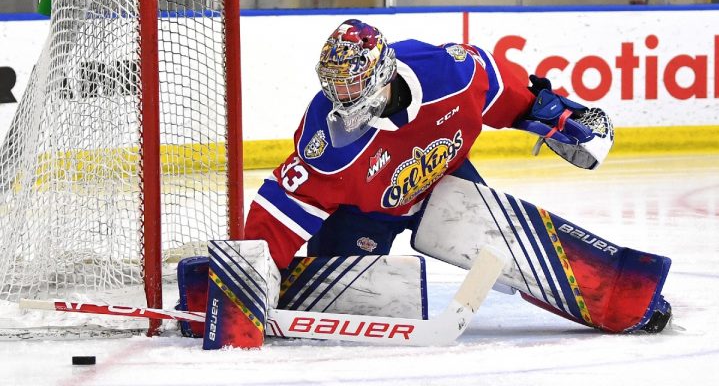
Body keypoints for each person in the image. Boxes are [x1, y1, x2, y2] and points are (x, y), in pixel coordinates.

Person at [238, 19, 671, 340]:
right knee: (340, 306)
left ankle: (619, 301)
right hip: (362, 216)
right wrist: (242, 281)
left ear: (382, 72)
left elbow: (508, 91)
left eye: (352, 82)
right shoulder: (326, 140)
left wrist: (554, 112)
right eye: (334, 84)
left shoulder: (450, 74)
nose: (341, 96)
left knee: (518, 256)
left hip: (444, 183)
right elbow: (280, 209)